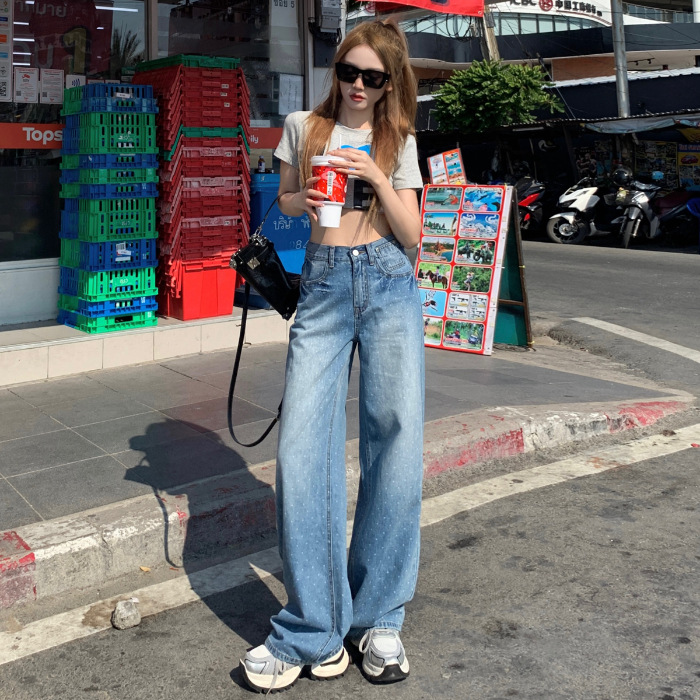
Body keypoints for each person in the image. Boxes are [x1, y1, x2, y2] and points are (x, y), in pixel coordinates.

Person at [239, 19, 425, 693]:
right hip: (321, 287)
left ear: (390, 83)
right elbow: (287, 203)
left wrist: (375, 172)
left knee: (394, 442)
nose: (357, 86)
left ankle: (378, 616)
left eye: (373, 77)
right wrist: (306, 197)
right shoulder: (303, 126)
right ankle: (312, 628)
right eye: (349, 72)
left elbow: (413, 234)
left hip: (388, 281)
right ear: (336, 71)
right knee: (300, 450)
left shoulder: (398, 138)